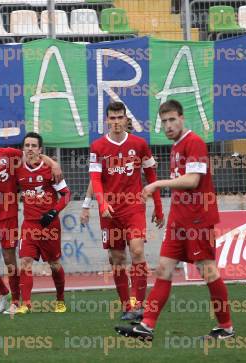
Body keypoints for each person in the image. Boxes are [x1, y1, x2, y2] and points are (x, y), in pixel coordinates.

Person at [116, 100, 234, 341]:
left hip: (198, 220)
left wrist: (158, 183)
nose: (168, 126)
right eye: (164, 122)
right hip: (179, 221)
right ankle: (146, 326)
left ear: (182, 118)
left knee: (208, 272)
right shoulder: (176, 146)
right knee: (164, 269)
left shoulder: (194, 142)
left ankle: (226, 327)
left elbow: (192, 181)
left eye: (172, 120)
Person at [0, 128, 62, 314]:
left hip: (7, 216)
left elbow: (33, 155)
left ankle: (16, 301)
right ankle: (4, 292)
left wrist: (53, 164)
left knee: (10, 260)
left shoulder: (8, 154)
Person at [88, 102, 163, 320]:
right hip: (110, 211)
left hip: (134, 207)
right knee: (117, 257)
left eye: (120, 118)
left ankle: (138, 304)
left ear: (126, 120)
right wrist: (102, 203)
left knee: (137, 251)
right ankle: (126, 306)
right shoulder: (98, 147)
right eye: (112, 118)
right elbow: (95, 178)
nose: (116, 122)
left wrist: (158, 206)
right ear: (106, 120)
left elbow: (151, 175)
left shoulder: (140, 144)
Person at [15, 132, 70, 314]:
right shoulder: (17, 169)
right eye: (27, 145)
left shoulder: (49, 169)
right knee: (25, 261)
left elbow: (66, 194)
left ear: (40, 150)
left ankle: (60, 300)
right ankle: (26, 304)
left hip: (49, 226)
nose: (30, 149)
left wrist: (54, 211)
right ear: (23, 148)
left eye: (33, 146)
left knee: (54, 264)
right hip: (29, 225)